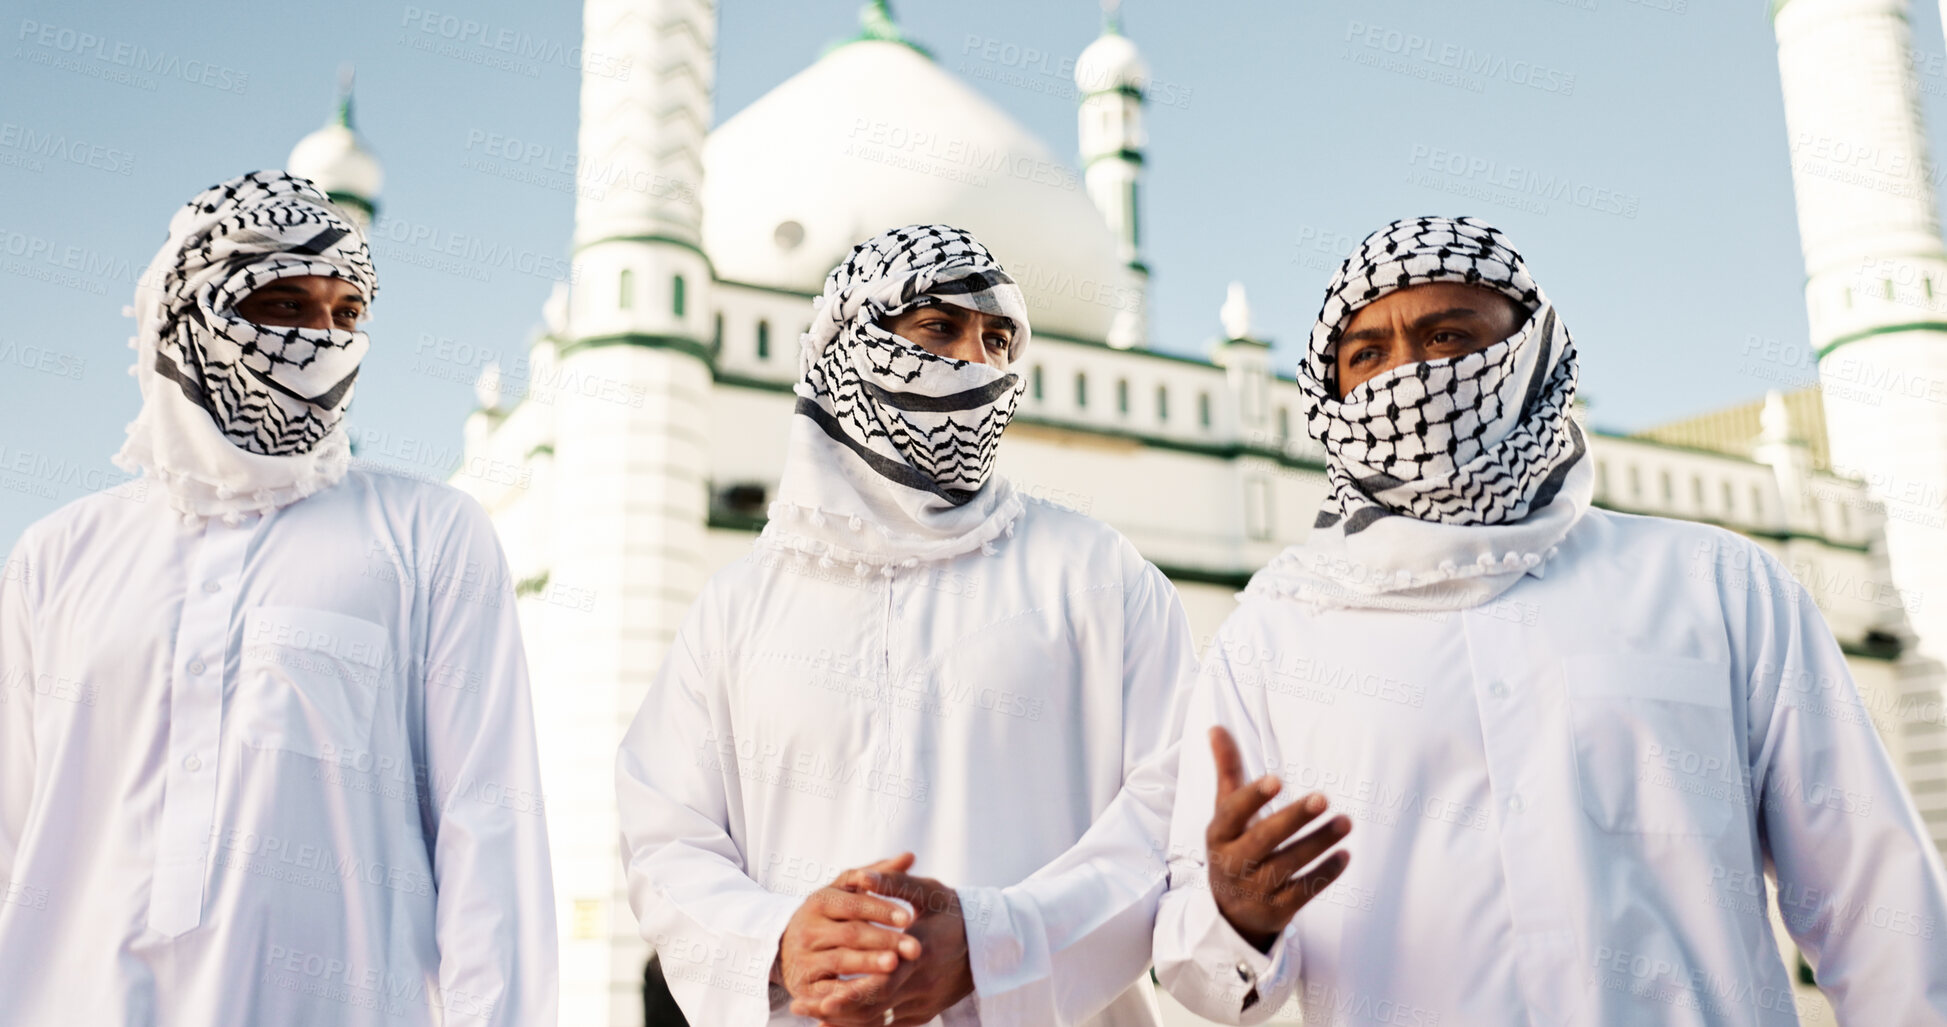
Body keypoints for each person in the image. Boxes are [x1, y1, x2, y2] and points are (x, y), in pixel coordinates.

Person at [1152, 216, 1947, 1025]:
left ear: (1531, 355)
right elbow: (1203, 976)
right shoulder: (1277, 632)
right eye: (1367, 355)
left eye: (1446, 336)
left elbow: (1876, 902)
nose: (1410, 376)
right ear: (1332, 394)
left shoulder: (1715, 586)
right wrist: (1236, 912)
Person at [0, 171, 557, 1025]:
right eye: (286, 307)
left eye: (346, 312)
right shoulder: (58, 558)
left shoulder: (427, 534)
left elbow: (489, 832)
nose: (323, 339)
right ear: (190, 315)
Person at [616, 224, 1194, 1026]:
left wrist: (996, 949)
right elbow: (665, 832)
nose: (976, 364)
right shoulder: (739, 606)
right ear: (849, 345)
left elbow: (1166, 818)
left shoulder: (1095, 575)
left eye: (998, 339)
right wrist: (780, 939)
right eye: (936, 329)